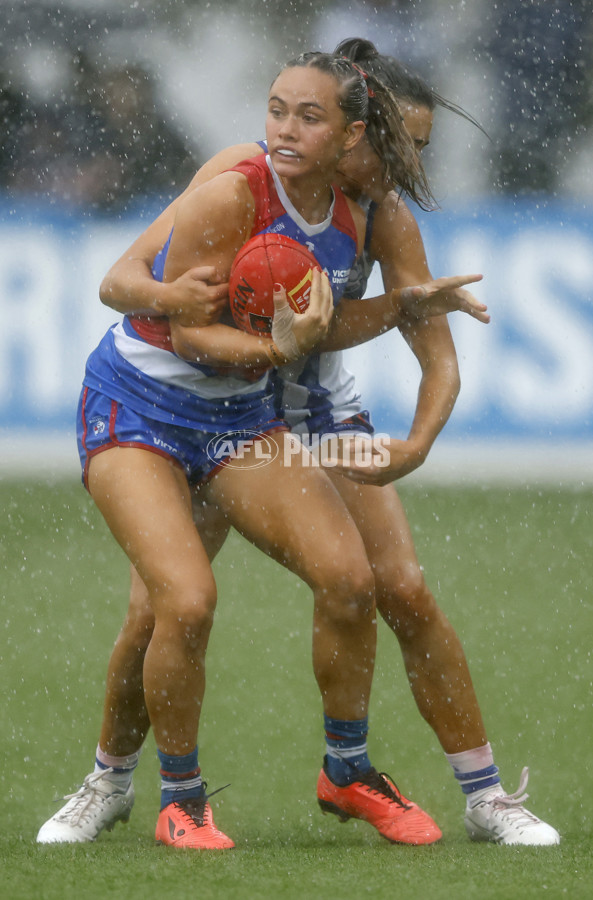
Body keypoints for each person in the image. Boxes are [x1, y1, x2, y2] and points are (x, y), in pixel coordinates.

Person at [38, 41, 559, 849]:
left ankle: (477, 794)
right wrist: (177, 299)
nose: (408, 162)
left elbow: (429, 341)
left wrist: (416, 441)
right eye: (400, 142)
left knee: (395, 587)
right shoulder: (242, 174)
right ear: (358, 132)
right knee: (164, 612)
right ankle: (111, 781)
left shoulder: (381, 211)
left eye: (421, 148)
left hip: (308, 416)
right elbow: (141, 282)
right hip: (207, 397)